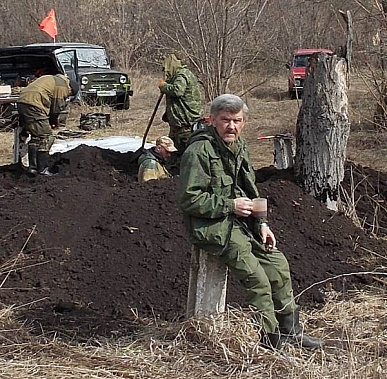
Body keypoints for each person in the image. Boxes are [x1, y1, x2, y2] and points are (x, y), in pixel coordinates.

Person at [178, 94, 323, 350]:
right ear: (213, 120)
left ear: (244, 122)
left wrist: (262, 223)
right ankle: (271, 341)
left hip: (243, 222)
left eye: (237, 121)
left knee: (278, 266)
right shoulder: (199, 150)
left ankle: (292, 331)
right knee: (258, 280)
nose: (231, 126)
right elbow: (189, 200)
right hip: (213, 226)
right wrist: (229, 205)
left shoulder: (240, 146)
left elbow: (251, 189)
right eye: (225, 120)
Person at [17, 74, 78, 176]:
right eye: (69, 94)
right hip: (34, 104)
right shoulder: (63, 86)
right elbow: (56, 108)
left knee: (36, 137)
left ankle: (33, 168)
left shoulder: (53, 80)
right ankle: (42, 168)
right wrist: (53, 121)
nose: (67, 96)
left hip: (22, 101)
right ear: (70, 89)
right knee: (47, 136)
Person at [158, 54, 203, 154]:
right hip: (177, 124)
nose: (165, 71)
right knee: (173, 150)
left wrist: (164, 86)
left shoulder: (182, 75)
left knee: (185, 151)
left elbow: (177, 90)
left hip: (186, 123)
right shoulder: (176, 76)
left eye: (166, 68)